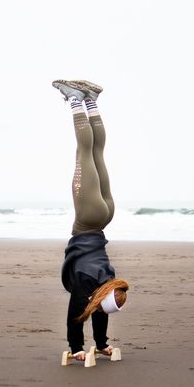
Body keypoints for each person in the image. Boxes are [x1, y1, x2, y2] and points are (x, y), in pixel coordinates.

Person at [53, 79, 129, 361]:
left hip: (105, 216)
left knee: (96, 152)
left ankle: (88, 100)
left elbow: (87, 313)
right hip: (88, 217)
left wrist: (89, 347)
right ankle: (77, 99)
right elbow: (83, 314)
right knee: (85, 152)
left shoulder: (111, 280)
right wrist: (83, 348)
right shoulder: (92, 284)